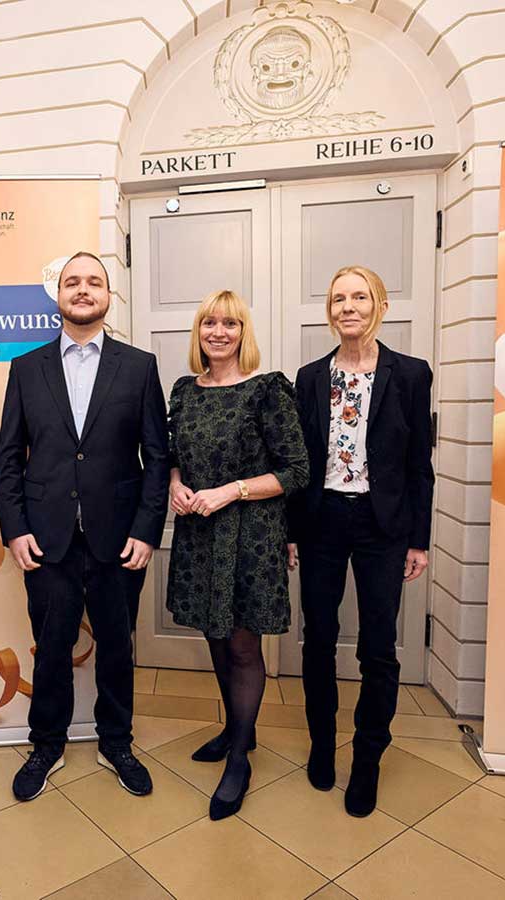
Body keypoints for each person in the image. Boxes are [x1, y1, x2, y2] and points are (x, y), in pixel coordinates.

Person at [0, 251, 169, 801]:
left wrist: (146, 530)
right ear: (59, 295)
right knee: (50, 649)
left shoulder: (139, 366)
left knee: (118, 645)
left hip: (119, 540)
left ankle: (117, 741)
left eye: (94, 281)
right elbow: (9, 459)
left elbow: (157, 458)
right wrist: (15, 529)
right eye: (73, 282)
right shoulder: (26, 368)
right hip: (46, 540)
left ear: (108, 295)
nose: (83, 289)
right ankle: (45, 744)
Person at [289, 265, 435, 818]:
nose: (348, 306)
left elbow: (419, 465)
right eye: (337, 299)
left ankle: (368, 756)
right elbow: (299, 463)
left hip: (383, 529)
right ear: (329, 311)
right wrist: (292, 531)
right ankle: (323, 745)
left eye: (359, 296)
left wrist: (417, 540)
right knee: (318, 640)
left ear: (380, 305)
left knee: (378, 649)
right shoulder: (309, 378)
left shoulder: (411, 374)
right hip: (322, 521)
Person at [166, 291, 308, 820]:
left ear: (243, 332)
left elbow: (296, 471)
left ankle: (240, 758)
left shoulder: (266, 391)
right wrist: (175, 484)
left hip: (250, 536)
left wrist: (231, 491)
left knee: (244, 647)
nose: (218, 331)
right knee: (215, 637)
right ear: (198, 331)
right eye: (209, 322)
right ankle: (232, 728)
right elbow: (172, 456)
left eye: (230, 323)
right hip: (200, 537)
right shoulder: (183, 391)